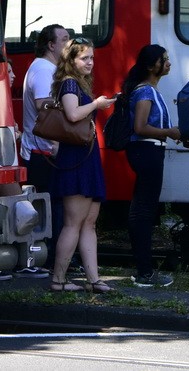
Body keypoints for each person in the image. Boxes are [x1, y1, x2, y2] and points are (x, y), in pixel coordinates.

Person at [49, 37, 116, 293]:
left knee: (88, 222)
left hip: (85, 157)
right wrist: (97, 104)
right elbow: (73, 114)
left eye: (91, 58)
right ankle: (58, 280)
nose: (90, 63)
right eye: (84, 58)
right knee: (74, 222)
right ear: (71, 60)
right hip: (76, 158)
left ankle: (94, 279)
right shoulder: (69, 84)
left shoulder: (78, 83)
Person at [121, 44, 179, 288]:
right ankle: (145, 272)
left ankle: (144, 269)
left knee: (143, 210)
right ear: (150, 66)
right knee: (143, 211)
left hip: (149, 150)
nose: (167, 63)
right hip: (147, 150)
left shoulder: (149, 90)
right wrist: (169, 132)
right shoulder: (145, 92)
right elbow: (140, 127)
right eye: (162, 59)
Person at [18, 23, 70, 279]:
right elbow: (42, 105)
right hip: (42, 152)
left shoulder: (47, 68)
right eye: (64, 39)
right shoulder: (43, 68)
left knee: (47, 210)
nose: (68, 44)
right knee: (43, 212)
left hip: (43, 151)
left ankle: (48, 261)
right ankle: (38, 261)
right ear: (51, 45)